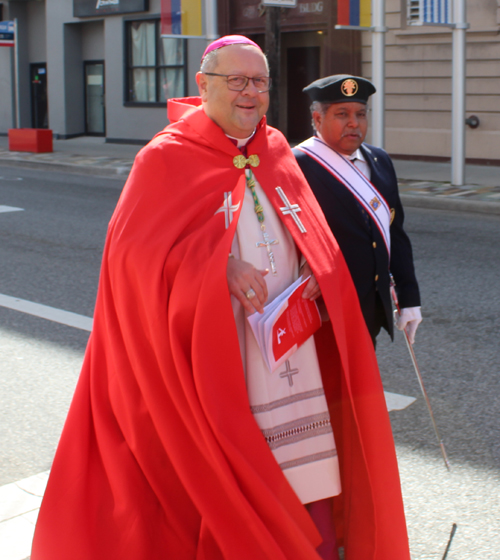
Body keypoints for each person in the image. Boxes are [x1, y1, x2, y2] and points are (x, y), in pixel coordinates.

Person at [31, 40, 411, 560]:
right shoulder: (164, 157)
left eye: (259, 82)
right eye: (237, 81)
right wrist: (216, 267)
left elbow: (308, 228)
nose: (250, 93)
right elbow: (131, 263)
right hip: (220, 346)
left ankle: (307, 544)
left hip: (288, 335)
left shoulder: (275, 146)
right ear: (203, 84)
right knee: (234, 450)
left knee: (300, 449)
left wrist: (314, 268)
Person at [293, 75, 421, 345]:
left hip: (370, 305)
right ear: (317, 119)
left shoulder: (380, 160)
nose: (354, 122)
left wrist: (409, 298)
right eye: (342, 114)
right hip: (324, 307)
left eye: (360, 114)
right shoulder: (296, 164)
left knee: (363, 386)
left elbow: (395, 234)